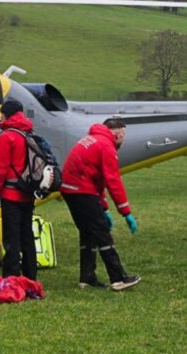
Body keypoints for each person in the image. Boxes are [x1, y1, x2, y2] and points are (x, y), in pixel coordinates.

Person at [60, 118, 141, 291]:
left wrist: (103, 207)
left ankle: (87, 277)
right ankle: (118, 278)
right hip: (82, 191)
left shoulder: (93, 139)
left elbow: (96, 178)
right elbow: (113, 180)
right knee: (102, 233)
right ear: (117, 132)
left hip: (70, 189)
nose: (123, 139)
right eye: (123, 134)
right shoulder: (106, 146)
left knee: (88, 233)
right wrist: (126, 212)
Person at [0, 100, 37, 280]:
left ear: (7, 114)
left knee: (11, 238)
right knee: (27, 236)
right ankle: (31, 276)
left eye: (1, 113)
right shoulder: (29, 132)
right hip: (28, 192)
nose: (0, 116)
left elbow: (1, 169)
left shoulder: (8, 136)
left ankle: (12, 276)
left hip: (11, 194)